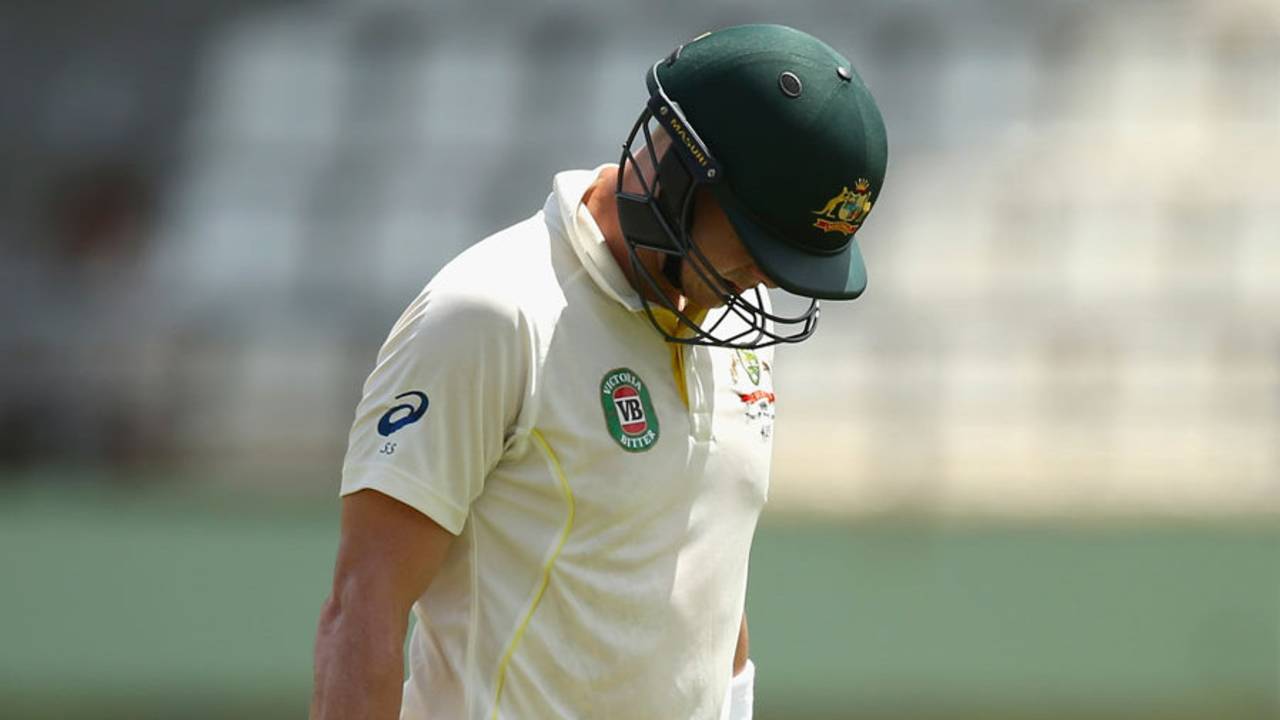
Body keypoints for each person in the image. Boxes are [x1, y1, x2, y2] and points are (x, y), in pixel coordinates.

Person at [310, 23, 887, 720]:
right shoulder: (494, 312)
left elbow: (705, 575)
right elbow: (363, 610)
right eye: (757, 241)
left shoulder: (736, 313)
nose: (765, 278)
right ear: (682, 172)